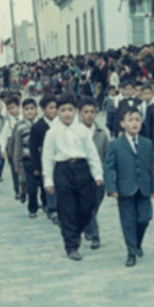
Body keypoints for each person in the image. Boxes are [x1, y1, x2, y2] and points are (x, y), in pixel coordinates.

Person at [42, 93, 103, 262]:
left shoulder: (82, 130)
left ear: (76, 111)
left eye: (70, 110)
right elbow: (47, 158)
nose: (67, 114)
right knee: (67, 210)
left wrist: (97, 174)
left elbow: (92, 154)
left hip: (82, 169)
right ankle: (71, 246)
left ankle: (77, 231)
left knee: (87, 206)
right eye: (62, 110)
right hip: (62, 170)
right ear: (58, 112)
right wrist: (48, 180)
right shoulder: (52, 133)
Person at [104, 106, 154, 267]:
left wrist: (153, 187)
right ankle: (131, 252)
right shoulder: (116, 145)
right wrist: (111, 187)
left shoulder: (147, 143)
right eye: (130, 120)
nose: (134, 123)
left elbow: (152, 166)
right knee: (128, 221)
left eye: (137, 120)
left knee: (145, 217)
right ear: (122, 123)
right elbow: (109, 167)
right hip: (125, 189)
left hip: (144, 187)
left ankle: (137, 242)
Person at [78, 97, 109, 250]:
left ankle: (86, 224)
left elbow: (107, 155)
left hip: (98, 176)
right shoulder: (75, 133)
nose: (89, 115)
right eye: (86, 112)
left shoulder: (101, 133)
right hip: (82, 176)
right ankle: (95, 237)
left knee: (95, 205)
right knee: (89, 206)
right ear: (79, 114)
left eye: (92, 112)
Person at [30, 94, 58, 222]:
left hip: (60, 158)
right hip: (45, 159)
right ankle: (51, 208)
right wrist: (36, 166)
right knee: (47, 183)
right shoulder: (38, 126)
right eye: (51, 108)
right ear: (43, 109)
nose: (54, 111)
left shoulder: (60, 124)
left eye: (56, 107)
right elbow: (33, 148)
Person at [12, 98, 39, 215]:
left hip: (41, 159)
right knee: (31, 186)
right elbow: (17, 146)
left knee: (43, 185)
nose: (29, 111)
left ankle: (48, 205)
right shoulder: (20, 127)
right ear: (22, 111)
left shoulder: (41, 125)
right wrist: (16, 163)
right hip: (27, 160)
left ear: (37, 110)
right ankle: (32, 208)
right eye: (26, 109)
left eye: (32, 109)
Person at [0, 96, 22, 200]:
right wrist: (3, 149)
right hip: (12, 146)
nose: (11, 110)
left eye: (13, 107)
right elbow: (3, 136)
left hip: (24, 145)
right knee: (14, 168)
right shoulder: (8, 121)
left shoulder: (24, 118)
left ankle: (26, 188)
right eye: (8, 109)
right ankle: (17, 189)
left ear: (18, 107)